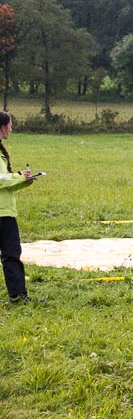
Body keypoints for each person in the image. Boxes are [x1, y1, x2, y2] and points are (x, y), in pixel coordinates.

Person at [0, 111, 37, 304]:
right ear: (2, 127)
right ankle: (18, 295)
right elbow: (1, 180)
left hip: (5, 211)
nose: (12, 129)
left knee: (12, 255)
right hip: (2, 214)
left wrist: (24, 181)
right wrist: (21, 176)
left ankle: (18, 295)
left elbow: (6, 183)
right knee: (11, 255)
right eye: (10, 125)